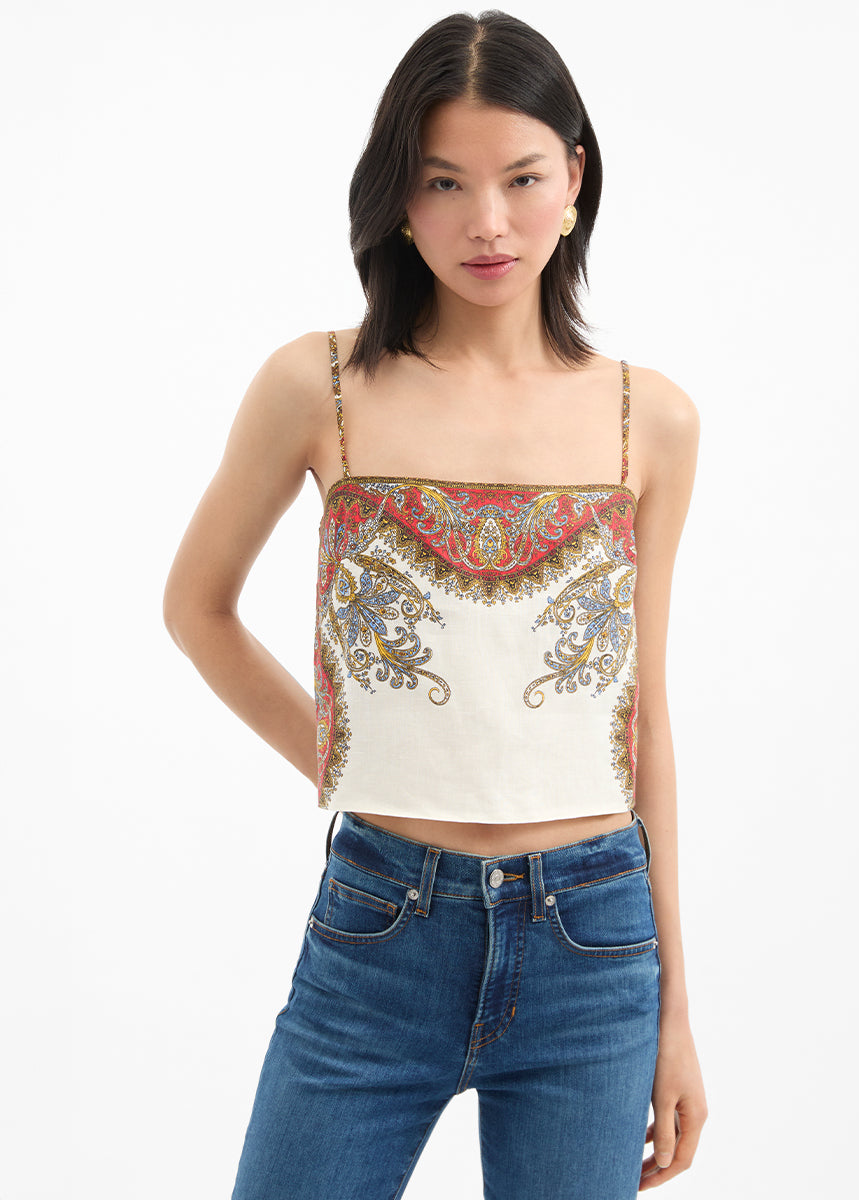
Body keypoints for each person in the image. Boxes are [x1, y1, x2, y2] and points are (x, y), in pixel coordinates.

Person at [163, 9, 707, 1197]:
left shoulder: (648, 418)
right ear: (398, 200)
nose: (486, 221)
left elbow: (644, 721)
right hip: (378, 928)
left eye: (520, 178)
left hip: (593, 943)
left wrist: (675, 1012)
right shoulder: (320, 384)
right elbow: (196, 606)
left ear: (575, 179)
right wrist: (342, 755)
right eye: (443, 181)